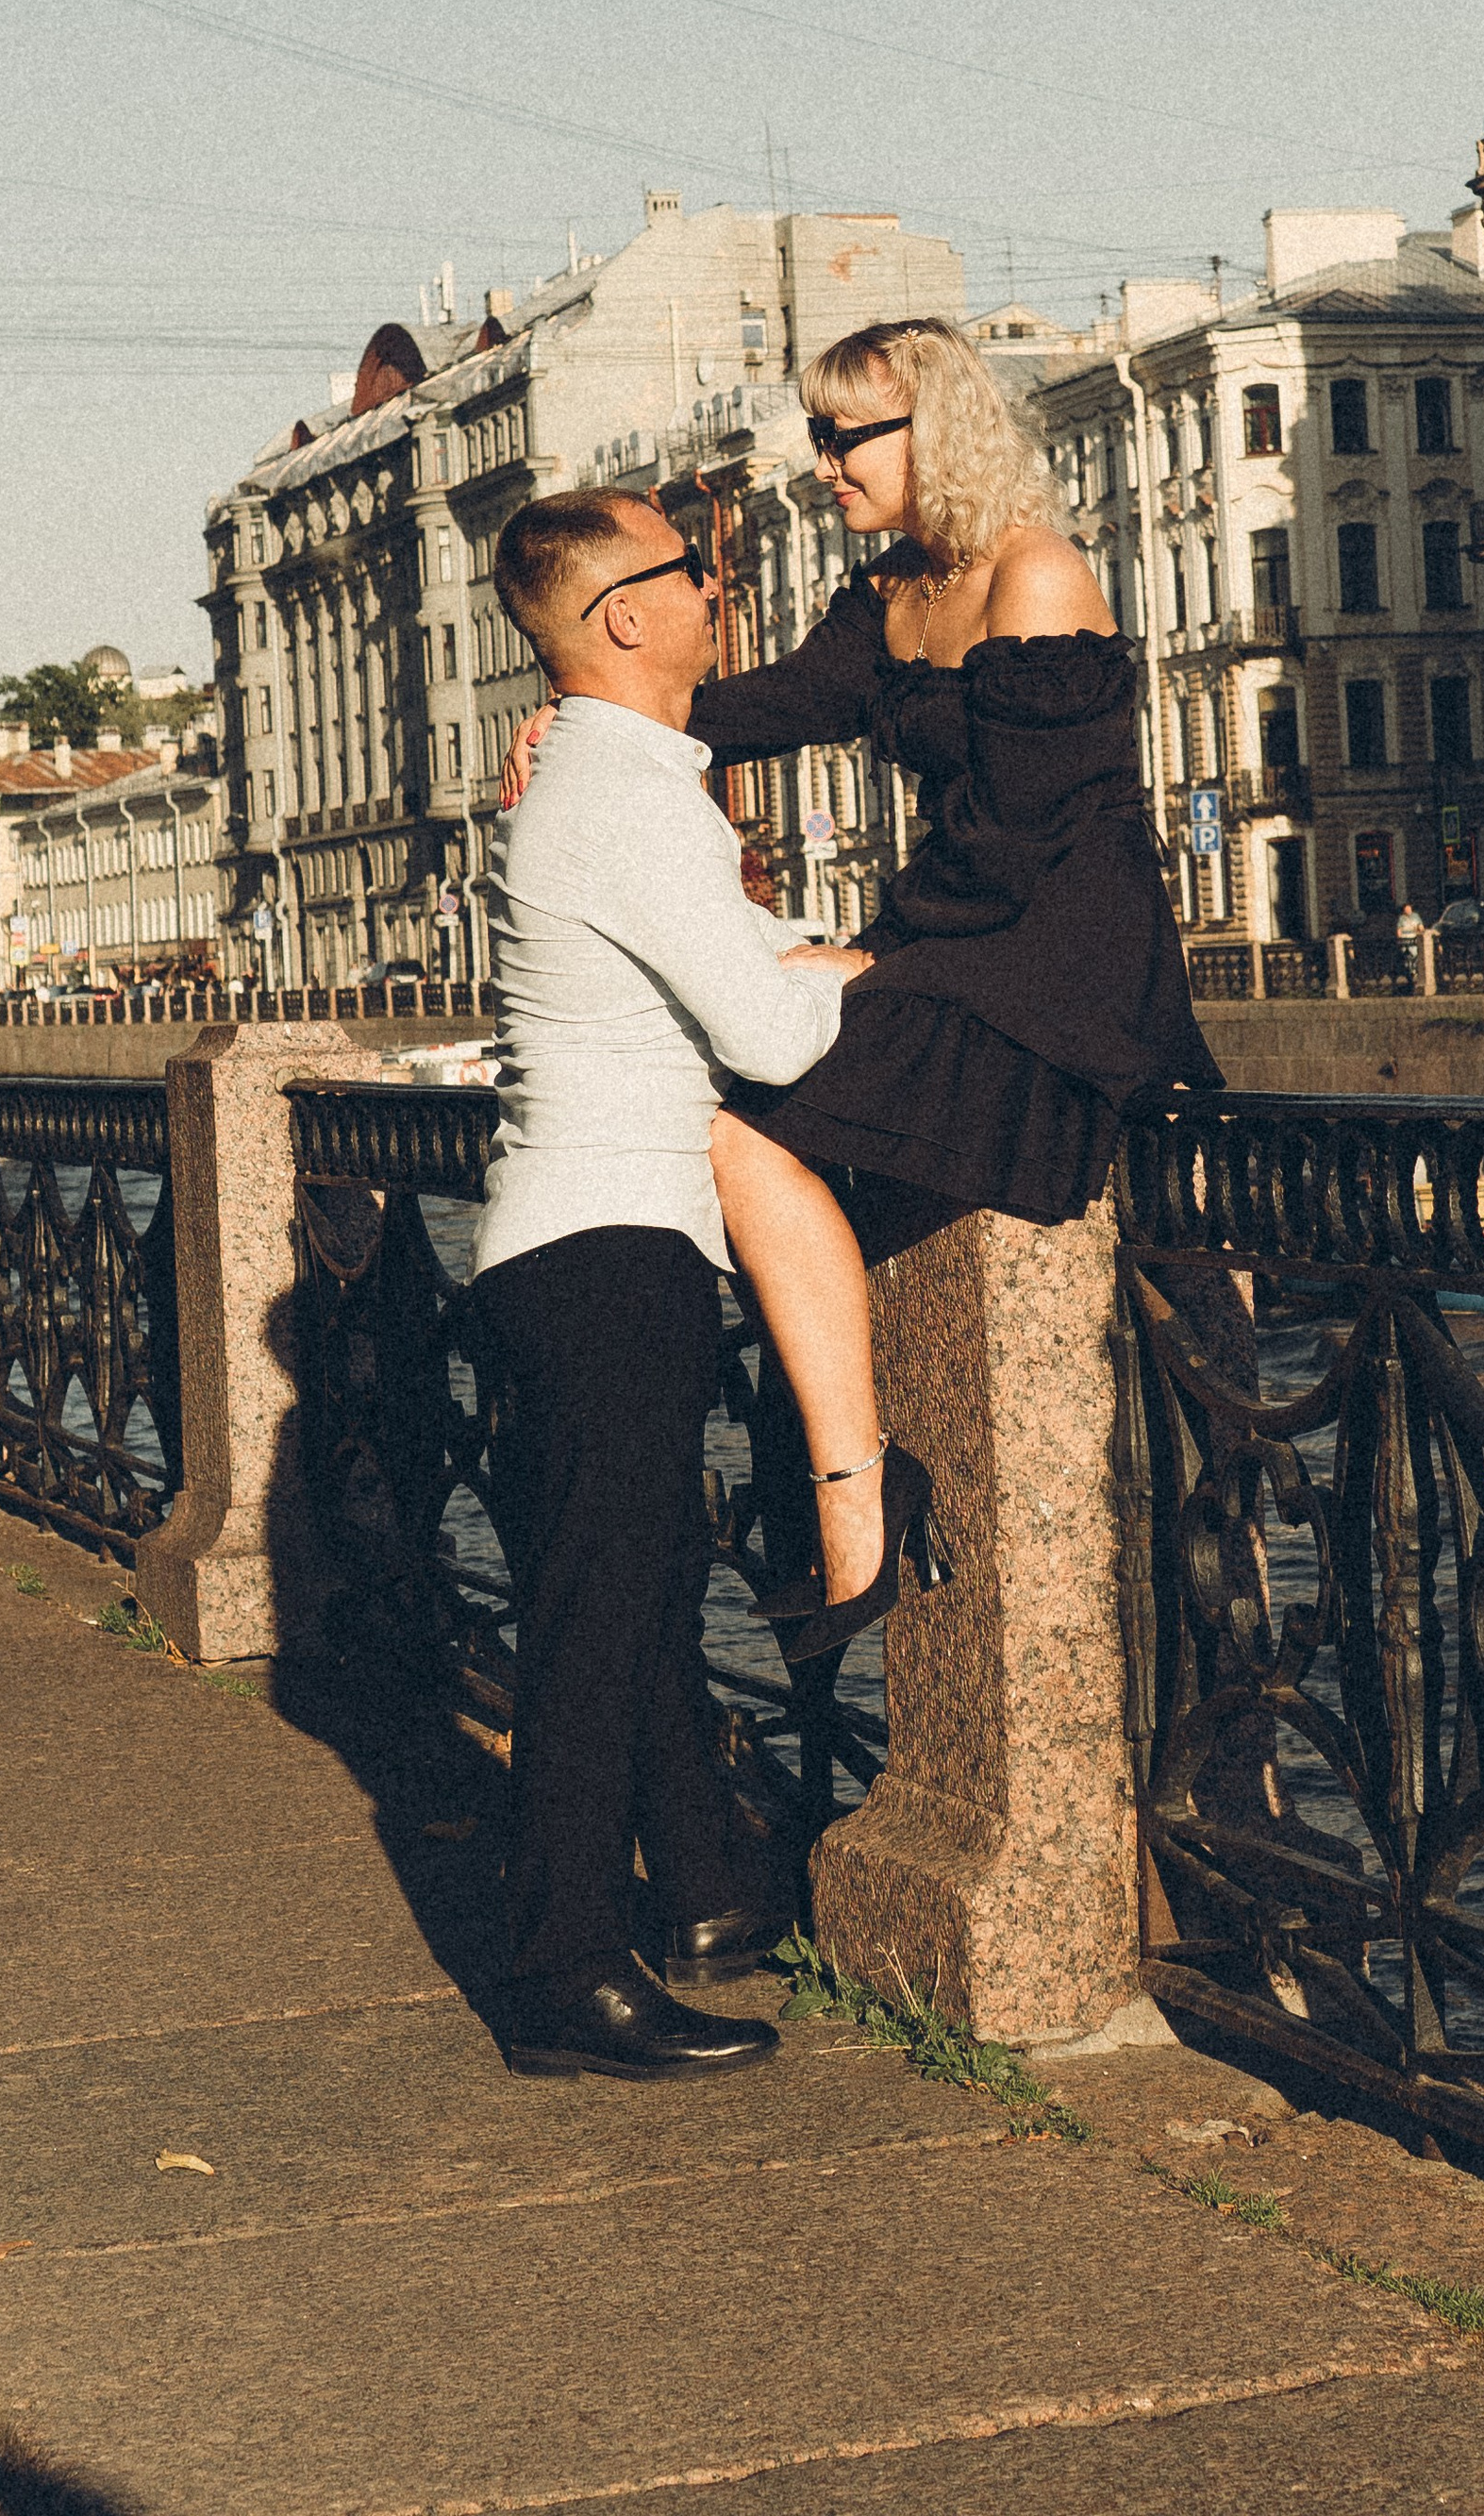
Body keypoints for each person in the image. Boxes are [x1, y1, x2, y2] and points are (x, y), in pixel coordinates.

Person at [506, 314, 1220, 1651]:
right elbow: (754, 707)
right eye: (819, 437)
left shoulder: (1037, 578)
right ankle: (848, 1490)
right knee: (743, 1123)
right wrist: (588, 714)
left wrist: (880, 962)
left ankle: (845, 1498)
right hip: (961, 952)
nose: (822, 464)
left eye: (844, 437)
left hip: (1065, 973)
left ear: (932, 430)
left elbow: (1029, 846)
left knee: (752, 1120)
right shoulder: (889, 596)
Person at [471, 486, 872, 2082]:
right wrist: (873, 972)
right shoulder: (622, 799)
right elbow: (767, 1035)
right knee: (597, 1619)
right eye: (693, 570)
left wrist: (807, 951)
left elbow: (716, 964)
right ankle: (565, 1974)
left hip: (570, 1243)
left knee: (628, 1615)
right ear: (623, 614)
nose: (721, 590)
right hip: (611, 1247)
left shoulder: (604, 783)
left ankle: (701, 1893)